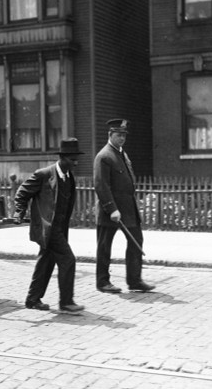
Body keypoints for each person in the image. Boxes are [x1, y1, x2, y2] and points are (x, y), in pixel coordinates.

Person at [13, 138, 85, 314]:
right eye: (71, 160)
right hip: (48, 228)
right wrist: (19, 211)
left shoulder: (69, 177)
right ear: (62, 158)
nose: (74, 163)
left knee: (46, 261)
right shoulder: (44, 174)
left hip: (60, 228)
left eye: (76, 159)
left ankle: (32, 299)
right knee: (68, 259)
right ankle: (66, 302)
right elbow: (22, 192)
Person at [93, 119, 156, 293]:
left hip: (128, 209)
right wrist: (112, 209)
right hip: (110, 211)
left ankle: (134, 280)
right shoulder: (104, 156)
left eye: (124, 135)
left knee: (136, 241)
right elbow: (101, 185)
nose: (122, 138)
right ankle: (103, 282)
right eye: (118, 135)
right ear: (110, 135)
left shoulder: (121, 154)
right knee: (105, 246)